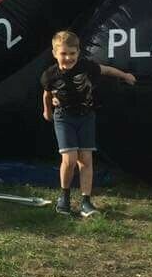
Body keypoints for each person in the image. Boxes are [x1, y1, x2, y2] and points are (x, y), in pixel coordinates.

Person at [40, 30, 135, 217]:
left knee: (86, 159)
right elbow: (47, 94)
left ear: (78, 52)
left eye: (72, 53)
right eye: (63, 54)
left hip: (86, 116)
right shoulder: (50, 75)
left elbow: (106, 70)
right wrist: (47, 111)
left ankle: (86, 201)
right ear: (55, 53)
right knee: (69, 159)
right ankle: (64, 197)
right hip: (63, 117)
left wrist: (125, 75)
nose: (68, 58)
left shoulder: (86, 67)